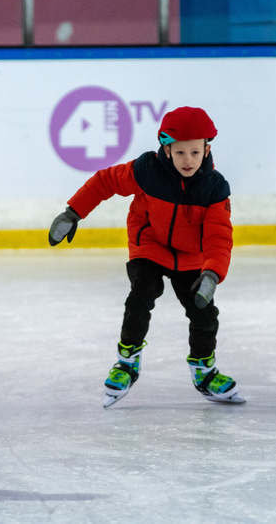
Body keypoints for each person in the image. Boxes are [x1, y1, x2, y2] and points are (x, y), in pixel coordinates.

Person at [49, 106, 244, 407]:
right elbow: (105, 181)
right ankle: (127, 361)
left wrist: (211, 273)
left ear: (207, 148)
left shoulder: (214, 188)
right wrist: (73, 212)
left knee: (203, 313)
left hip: (192, 257)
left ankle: (204, 370)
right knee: (141, 294)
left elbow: (220, 235)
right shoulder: (146, 171)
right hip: (150, 243)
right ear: (166, 149)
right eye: (179, 152)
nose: (188, 160)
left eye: (195, 151)